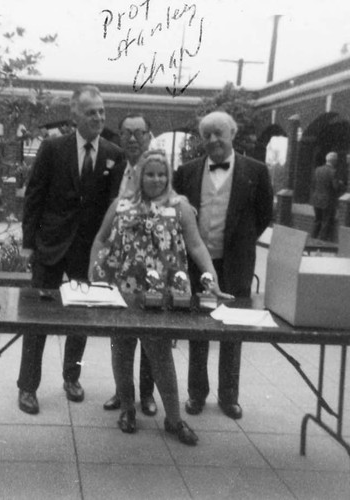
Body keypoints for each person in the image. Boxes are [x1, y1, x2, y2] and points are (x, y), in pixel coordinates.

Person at [90, 149, 232, 445]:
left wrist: (212, 279)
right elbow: (101, 239)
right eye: (150, 173)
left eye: (162, 174)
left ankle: (173, 419)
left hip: (163, 294)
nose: (156, 179)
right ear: (140, 175)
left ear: (168, 176)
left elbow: (196, 246)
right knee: (122, 349)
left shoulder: (180, 207)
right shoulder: (121, 204)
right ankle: (128, 409)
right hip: (124, 293)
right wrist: (95, 274)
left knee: (161, 355)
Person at [17, 85, 126, 415]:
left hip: (86, 252)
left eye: (102, 111)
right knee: (37, 320)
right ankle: (27, 387)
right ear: (75, 114)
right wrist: (27, 244)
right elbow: (34, 197)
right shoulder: (52, 148)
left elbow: (112, 208)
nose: (98, 117)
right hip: (50, 247)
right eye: (91, 112)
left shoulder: (113, 153)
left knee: (79, 319)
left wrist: (106, 253)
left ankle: (71, 378)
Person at [174, 110, 274, 420]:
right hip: (197, 265)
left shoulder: (256, 171)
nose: (214, 139)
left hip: (237, 263)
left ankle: (229, 397)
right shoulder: (186, 171)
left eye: (219, 132)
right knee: (198, 331)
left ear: (232, 133)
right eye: (207, 134)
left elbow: (263, 216)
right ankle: (196, 394)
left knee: (233, 329)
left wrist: (239, 244)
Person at [103, 113, 157, 417]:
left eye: (139, 132)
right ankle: (123, 393)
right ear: (120, 138)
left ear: (149, 136)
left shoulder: (160, 172)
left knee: (150, 336)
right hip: (118, 267)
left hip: (152, 269)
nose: (133, 138)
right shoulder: (113, 171)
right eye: (127, 133)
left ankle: (148, 394)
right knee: (119, 337)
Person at [311, 151, 344, 241]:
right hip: (327, 201)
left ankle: (312, 240)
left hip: (316, 200)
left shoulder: (317, 170)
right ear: (333, 161)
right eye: (336, 161)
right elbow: (335, 187)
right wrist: (340, 183)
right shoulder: (333, 172)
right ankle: (321, 243)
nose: (336, 163)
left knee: (317, 221)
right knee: (325, 222)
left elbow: (314, 184)